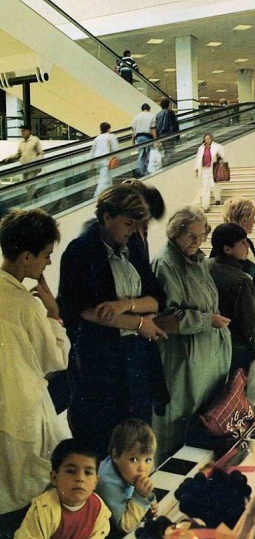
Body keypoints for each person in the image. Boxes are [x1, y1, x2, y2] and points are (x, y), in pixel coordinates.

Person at [58, 186, 168, 458]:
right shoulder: (80, 251)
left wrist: (125, 305)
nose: (133, 230)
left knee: (138, 436)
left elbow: (157, 298)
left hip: (137, 359)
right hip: (102, 363)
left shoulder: (133, 246)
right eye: (128, 223)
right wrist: (141, 324)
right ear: (107, 218)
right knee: (106, 438)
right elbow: (87, 310)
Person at [0, 209, 70, 524]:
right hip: (22, 414)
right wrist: (53, 312)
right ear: (26, 257)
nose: (48, 263)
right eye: (45, 255)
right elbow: (56, 359)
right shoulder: (27, 306)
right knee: (24, 504)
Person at [152, 206, 232, 459]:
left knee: (202, 420)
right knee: (178, 425)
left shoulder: (197, 262)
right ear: (176, 233)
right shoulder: (165, 265)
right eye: (190, 236)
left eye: (201, 237)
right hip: (183, 360)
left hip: (206, 358)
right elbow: (164, 319)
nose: (196, 242)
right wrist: (207, 320)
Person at [3, 438, 110, 539]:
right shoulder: (43, 509)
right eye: (71, 471)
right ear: (54, 478)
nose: (80, 478)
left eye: (88, 472)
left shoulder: (98, 508)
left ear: (96, 481)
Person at [208, 223, 255, 372]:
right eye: (242, 243)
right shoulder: (241, 280)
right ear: (227, 249)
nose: (247, 246)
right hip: (238, 348)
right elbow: (251, 324)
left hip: (211, 345)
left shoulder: (206, 267)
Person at [96, 420, 157, 533]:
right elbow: (125, 526)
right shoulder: (108, 484)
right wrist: (141, 497)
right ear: (115, 456)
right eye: (133, 460)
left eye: (148, 460)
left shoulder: (126, 470)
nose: (142, 468)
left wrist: (147, 503)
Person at [222, 197, 255, 322]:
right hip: (247, 313)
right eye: (253, 218)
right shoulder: (230, 246)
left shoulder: (248, 243)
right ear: (244, 220)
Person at [0, 124, 44, 200]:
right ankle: (35, 197)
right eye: (21, 131)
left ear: (29, 131)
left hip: (33, 167)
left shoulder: (35, 140)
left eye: (23, 131)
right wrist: (9, 158)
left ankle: (29, 202)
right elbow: (18, 154)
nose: (22, 133)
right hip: (24, 167)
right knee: (26, 185)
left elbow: (41, 153)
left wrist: (37, 161)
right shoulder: (22, 143)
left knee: (30, 184)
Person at [194, 133, 227, 212]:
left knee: (215, 185)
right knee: (205, 188)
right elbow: (198, 159)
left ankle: (217, 199)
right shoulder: (201, 148)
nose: (207, 141)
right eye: (205, 139)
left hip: (214, 168)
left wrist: (219, 157)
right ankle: (205, 206)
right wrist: (196, 169)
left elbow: (223, 156)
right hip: (205, 170)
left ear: (211, 139)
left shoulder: (217, 147)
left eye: (208, 139)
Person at [89, 122, 119, 199]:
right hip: (106, 160)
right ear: (108, 129)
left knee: (106, 177)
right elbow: (115, 148)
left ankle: (108, 194)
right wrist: (117, 157)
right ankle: (99, 195)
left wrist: (91, 162)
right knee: (105, 179)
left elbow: (92, 150)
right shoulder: (111, 136)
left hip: (98, 160)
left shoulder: (97, 138)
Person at [131, 103, 157, 177]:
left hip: (139, 138)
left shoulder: (136, 117)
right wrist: (155, 140)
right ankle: (149, 171)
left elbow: (133, 130)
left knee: (141, 155)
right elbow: (153, 129)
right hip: (148, 137)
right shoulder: (151, 116)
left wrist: (133, 141)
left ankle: (140, 172)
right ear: (149, 109)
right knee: (149, 154)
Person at [155, 97, 179, 165]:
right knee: (170, 150)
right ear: (168, 104)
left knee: (166, 150)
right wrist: (177, 135)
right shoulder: (170, 112)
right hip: (169, 134)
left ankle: (166, 163)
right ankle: (168, 164)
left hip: (161, 135)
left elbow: (156, 126)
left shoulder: (158, 114)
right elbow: (174, 124)